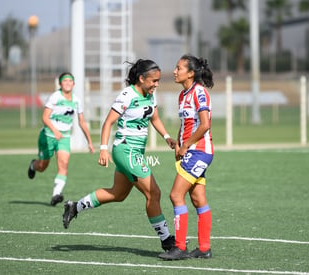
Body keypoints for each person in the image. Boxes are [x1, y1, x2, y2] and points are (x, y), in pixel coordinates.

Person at [62, 59, 177, 251]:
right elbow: (108, 123)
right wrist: (103, 149)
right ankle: (167, 241)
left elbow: (154, 118)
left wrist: (166, 137)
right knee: (153, 193)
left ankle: (74, 207)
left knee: (118, 193)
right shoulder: (127, 95)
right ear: (141, 78)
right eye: (153, 81)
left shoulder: (150, 95)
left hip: (136, 151)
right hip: (126, 150)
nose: (156, 85)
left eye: (158, 81)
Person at [158, 54, 215, 260]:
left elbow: (205, 124)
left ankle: (180, 247)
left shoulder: (199, 93)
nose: (174, 71)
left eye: (179, 68)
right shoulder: (183, 95)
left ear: (190, 73)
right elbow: (186, 124)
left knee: (175, 195)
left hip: (200, 151)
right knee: (198, 198)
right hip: (191, 150)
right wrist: (179, 144)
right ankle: (204, 248)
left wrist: (187, 145)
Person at [27, 72, 94, 206]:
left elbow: (82, 121)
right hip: (47, 136)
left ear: (73, 84)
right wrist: (55, 131)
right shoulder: (55, 97)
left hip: (64, 137)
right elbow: (45, 117)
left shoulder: (76, 100)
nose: (68, 83)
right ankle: (33, 165)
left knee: (63, 165)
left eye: (70, 81)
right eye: (65, 81)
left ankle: (56, 195)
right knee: (42, 166)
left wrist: (90, 141)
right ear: (60, 83)